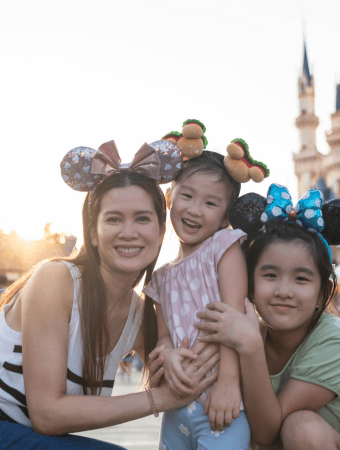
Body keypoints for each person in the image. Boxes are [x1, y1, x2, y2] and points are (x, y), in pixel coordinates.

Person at [0, 139, 219, 449]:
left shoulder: (144, 315)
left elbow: (190, 360)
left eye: (142, 218)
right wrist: (161, 398)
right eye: (114, 219)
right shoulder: (56, 281)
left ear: (160, 232)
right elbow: (47, 415)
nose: (128, 232)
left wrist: (241, 336)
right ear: (92, 232)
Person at [194, 184, 340, 450]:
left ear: (322, 293)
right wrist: (167, 351)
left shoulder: (333, 341)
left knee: (301, 427)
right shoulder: (249, 330)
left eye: (301, 279)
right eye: (270, 275)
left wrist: (250, 348)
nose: (284, 291)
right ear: (249, 283)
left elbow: (264, 432)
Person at [144, 150, 253, 450]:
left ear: (226, 215)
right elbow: (165, 336)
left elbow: (234, 318)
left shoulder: (223, 247)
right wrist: (166, 356)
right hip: (177, 405)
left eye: (210, 203)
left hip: (223, 403)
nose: (195, 209)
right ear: (169, 196)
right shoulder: (160, 278)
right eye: (187, 196)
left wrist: (229, 382)